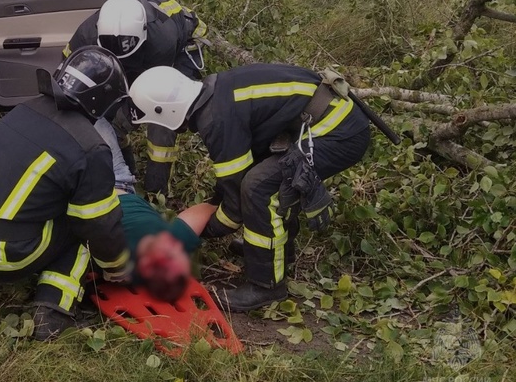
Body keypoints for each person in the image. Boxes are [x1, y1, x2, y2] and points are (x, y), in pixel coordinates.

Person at [128, 63, 370, 312]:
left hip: (337, 133)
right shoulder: (213, 94)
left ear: (167, 112)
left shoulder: (217, 119)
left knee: (258, 188)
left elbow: (235, 209)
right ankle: (274, 252)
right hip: (324, 120)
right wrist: (216, 202)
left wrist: (199, 230)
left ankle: (266, 286)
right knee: (266, 178)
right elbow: (233, 178)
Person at [0, 46, 133, 341]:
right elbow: (99, 226)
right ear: (103, 102)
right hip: (5, 255)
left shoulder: (25, 109)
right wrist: (117, 266)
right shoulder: (90, 147)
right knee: (84, 230)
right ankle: (53, 312)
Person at [63, 0, 207, 196]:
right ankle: (127, 170)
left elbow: (148, 89)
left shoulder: (161, 42)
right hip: (138, 53)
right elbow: (69, 70)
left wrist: (130, 108)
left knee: (161, 117)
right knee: (113, 120)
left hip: (185, 48)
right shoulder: (86, 36)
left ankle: (156, 191)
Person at [94, 117, 216, 301]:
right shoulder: (173, 241)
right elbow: (205, 209)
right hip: (119, 180)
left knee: (78, 116)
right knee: (95, 118)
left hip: (85, 185)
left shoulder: (116, 260)